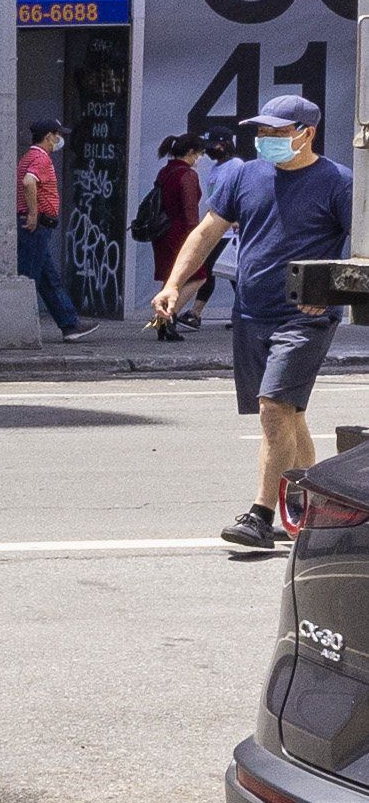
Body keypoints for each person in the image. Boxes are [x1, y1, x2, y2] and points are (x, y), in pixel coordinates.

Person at [154, 87, 356, 550]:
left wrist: (329, 291)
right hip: (250, 313)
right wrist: (172, 285)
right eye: (261, 131)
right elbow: (206, 232)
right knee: (290, 412)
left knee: (274, 407)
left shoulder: (338, 182)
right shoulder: (243, 176)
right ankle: (316, 501)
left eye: (275, 131)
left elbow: (363, 247)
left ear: (307, 134)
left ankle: (261, 515)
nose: (264, 138)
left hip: (304, 317)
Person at [17, 116, 82, 334]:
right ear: (49, 137)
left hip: (36, 226)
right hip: (36, 226)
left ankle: (69, 324)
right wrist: (34, 215)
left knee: (48, 279)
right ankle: (18, 328)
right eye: (58, 134)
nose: (60, 139)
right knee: (28, 279)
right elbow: (29, 181)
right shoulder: (41, 158)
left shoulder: (29, 156)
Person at [143, 130, 213, 305]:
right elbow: (190, 210)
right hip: (180, 233)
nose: (198, 159)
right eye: (198, 154)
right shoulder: (187, 175)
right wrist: (196, 237)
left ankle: (161, 321)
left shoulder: (165, 171)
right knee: (199, 275)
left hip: (163, 232)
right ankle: (167, 318)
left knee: (171, 278)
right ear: (190, 152)